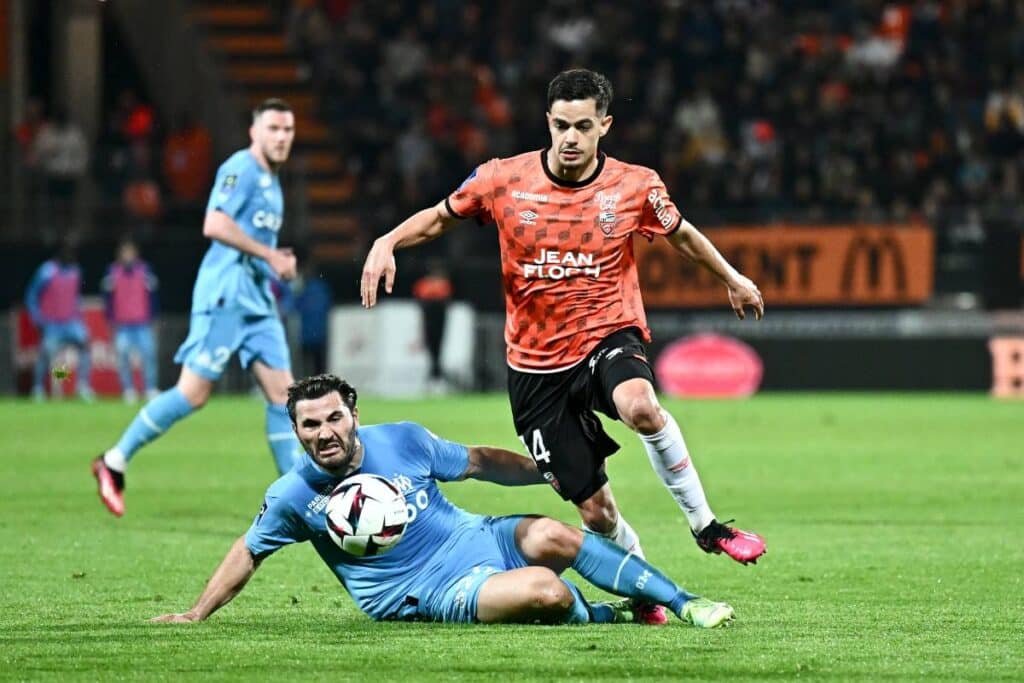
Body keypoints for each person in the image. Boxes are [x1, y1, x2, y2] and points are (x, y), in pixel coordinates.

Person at [361, 69, 767, 624]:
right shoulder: (502, 180)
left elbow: (683, 235)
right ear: (547, 124)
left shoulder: (635, 186)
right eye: (560, 126)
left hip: (607, 332)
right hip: (534, 369)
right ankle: (644, 592)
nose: (570, 138)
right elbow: (437, 220)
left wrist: (732, 277)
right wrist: (387, 241)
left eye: (582, 126)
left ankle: (705, 525)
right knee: (597, 515)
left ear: (605, 125)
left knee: (641, 407)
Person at [150, 374, 735, 628]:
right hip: (425, 590)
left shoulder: (402, 439)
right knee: (547, 591)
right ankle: (608, 615)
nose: (324, 432)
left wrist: (549, 471)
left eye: (333, 417)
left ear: (354, 415)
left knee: (555, 535)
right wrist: (196, 612)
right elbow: (248, 551)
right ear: (296, 432)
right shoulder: (294, 495)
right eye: (309, 425)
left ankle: (684, 603)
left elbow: (479, 461)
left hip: (470, 536)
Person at [92, 99, 302, 517]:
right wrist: (269, 254)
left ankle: (295, 498)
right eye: (273, 129)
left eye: (288, 130)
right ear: (254, 132)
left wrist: (272, 260)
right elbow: (214, 223)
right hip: (224, 298)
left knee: (285, 398)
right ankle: (114, 461)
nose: (281, 137)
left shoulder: (272, 181)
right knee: (193, 393)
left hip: (256, 303)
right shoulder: (240, 168)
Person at [24, 240, 94, 401]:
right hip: (52, 324)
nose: (70, 257)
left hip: (71, 323)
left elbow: (76, 297)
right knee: (47, 355)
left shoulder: (76, 271)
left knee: (85, 347)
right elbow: (31, 295)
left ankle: (82, 386)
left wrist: (79, 318)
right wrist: (38, 319)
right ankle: (38, 389)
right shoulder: (46, 271)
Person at [101, 238, 160, 402]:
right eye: (125, 253)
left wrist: (153, 317)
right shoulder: (112, 272)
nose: (128, 256)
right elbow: (107, 298)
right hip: (122, 324)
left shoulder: (145, 271)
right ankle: (128, 389)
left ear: (136, 254)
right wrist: (110, 320)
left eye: (130, 252)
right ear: (120, 255)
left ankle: (150, 388)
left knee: (148, 355)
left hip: (142, 322)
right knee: (123, 357)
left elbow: (153, 296)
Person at [412, 263, 453, 393]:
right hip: (429, 320)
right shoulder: (425, 284)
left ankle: (436, 375)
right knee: (431, 346)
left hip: (438, 320)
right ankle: (435, 375)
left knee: (437, 347)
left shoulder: (441, 284)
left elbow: (445, 301)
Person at [294, 260, 333, 376]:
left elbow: (295, 306)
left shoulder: (306, 288)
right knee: (318, 365)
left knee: (308, 365)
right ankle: (319, 387)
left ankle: (308, 386)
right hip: (317, 333)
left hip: (309, 333)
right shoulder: (322, 287)